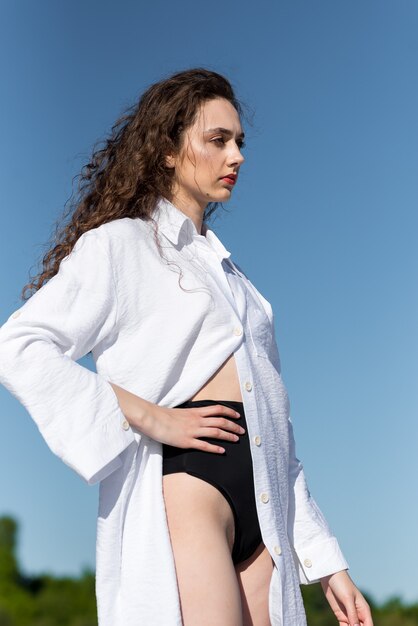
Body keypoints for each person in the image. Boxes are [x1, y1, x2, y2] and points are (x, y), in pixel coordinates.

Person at [0, 68, 373, 626]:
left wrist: (328, 562)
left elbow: (279, 434)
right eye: (218, 140)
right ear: (168, 150)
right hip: (190, 484)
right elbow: (18, 345)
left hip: (266, 502)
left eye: (239, 142)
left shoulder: (242, 287)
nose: (237, 156)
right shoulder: (119, 245)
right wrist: (154, 418)